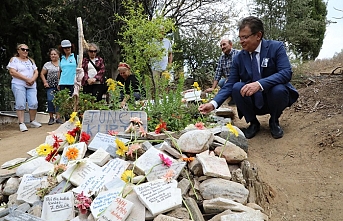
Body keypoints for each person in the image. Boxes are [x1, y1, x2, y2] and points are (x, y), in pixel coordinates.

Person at [199, 16, 299, 139]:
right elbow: (229, 84)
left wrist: (259, 84)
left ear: (258, 35)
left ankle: (274, 121)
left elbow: (286, 72)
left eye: (245, 37)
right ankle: (253, 123)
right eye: (240, 38)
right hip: (252, 100)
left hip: (272, 96)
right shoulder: (239, 57)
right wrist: (213, 104)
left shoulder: (276, 47)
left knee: (279, 89)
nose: (241, 41)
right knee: (236, 87)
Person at [7, 44, 42, 132]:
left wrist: (32, 80)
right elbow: (12, 72)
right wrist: (26, 79)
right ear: (18, 50)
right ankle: (21, 123)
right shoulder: (14, 60)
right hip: (19, 84)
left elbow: (36, 71)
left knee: (34, 102)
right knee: (20, 103)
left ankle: (32, 120)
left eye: (27, 50)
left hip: (31, 84)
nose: (25, 51)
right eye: (23, 49)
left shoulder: (30, 60)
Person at [40, 48, 63, 125]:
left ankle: (58, 117)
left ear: (58, 55)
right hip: (50, 86)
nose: (53, 56)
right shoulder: (47, 64)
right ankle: (51, 117)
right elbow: (42, 74)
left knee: (59, 101)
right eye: (52, 54)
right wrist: (45, 82)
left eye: (55, 54)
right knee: (50, 100)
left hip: (60, 85)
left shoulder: (62, 63)